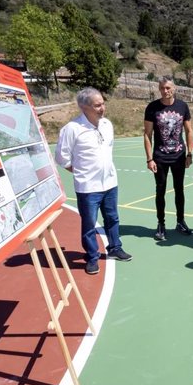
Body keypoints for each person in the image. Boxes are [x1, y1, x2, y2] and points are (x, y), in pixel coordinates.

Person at [55, 87, 132, 275]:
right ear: (84, 107)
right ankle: (92, 257)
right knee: (89, 223)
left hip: (110, 183)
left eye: (102, 103)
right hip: (88, 187)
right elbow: (61, 157)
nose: (102, 108)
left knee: (112, 218)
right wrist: (79, 171)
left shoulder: (107, 125)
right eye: (97, 105)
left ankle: (115, 248)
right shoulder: (72, 129)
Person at [143, 76, 193, 240]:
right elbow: (147, 134)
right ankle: (161, 224)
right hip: (160, 157)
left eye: (168, 88)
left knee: (180, 190)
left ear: (174, 88)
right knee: (161, 190)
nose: (165, 91)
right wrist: (149, 159)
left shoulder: (182, 106)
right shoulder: (152, 107)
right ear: (159, 89)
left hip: (179, 155)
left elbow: (189, 131)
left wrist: (189, 153)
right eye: (162, 88)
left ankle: (180, 221)